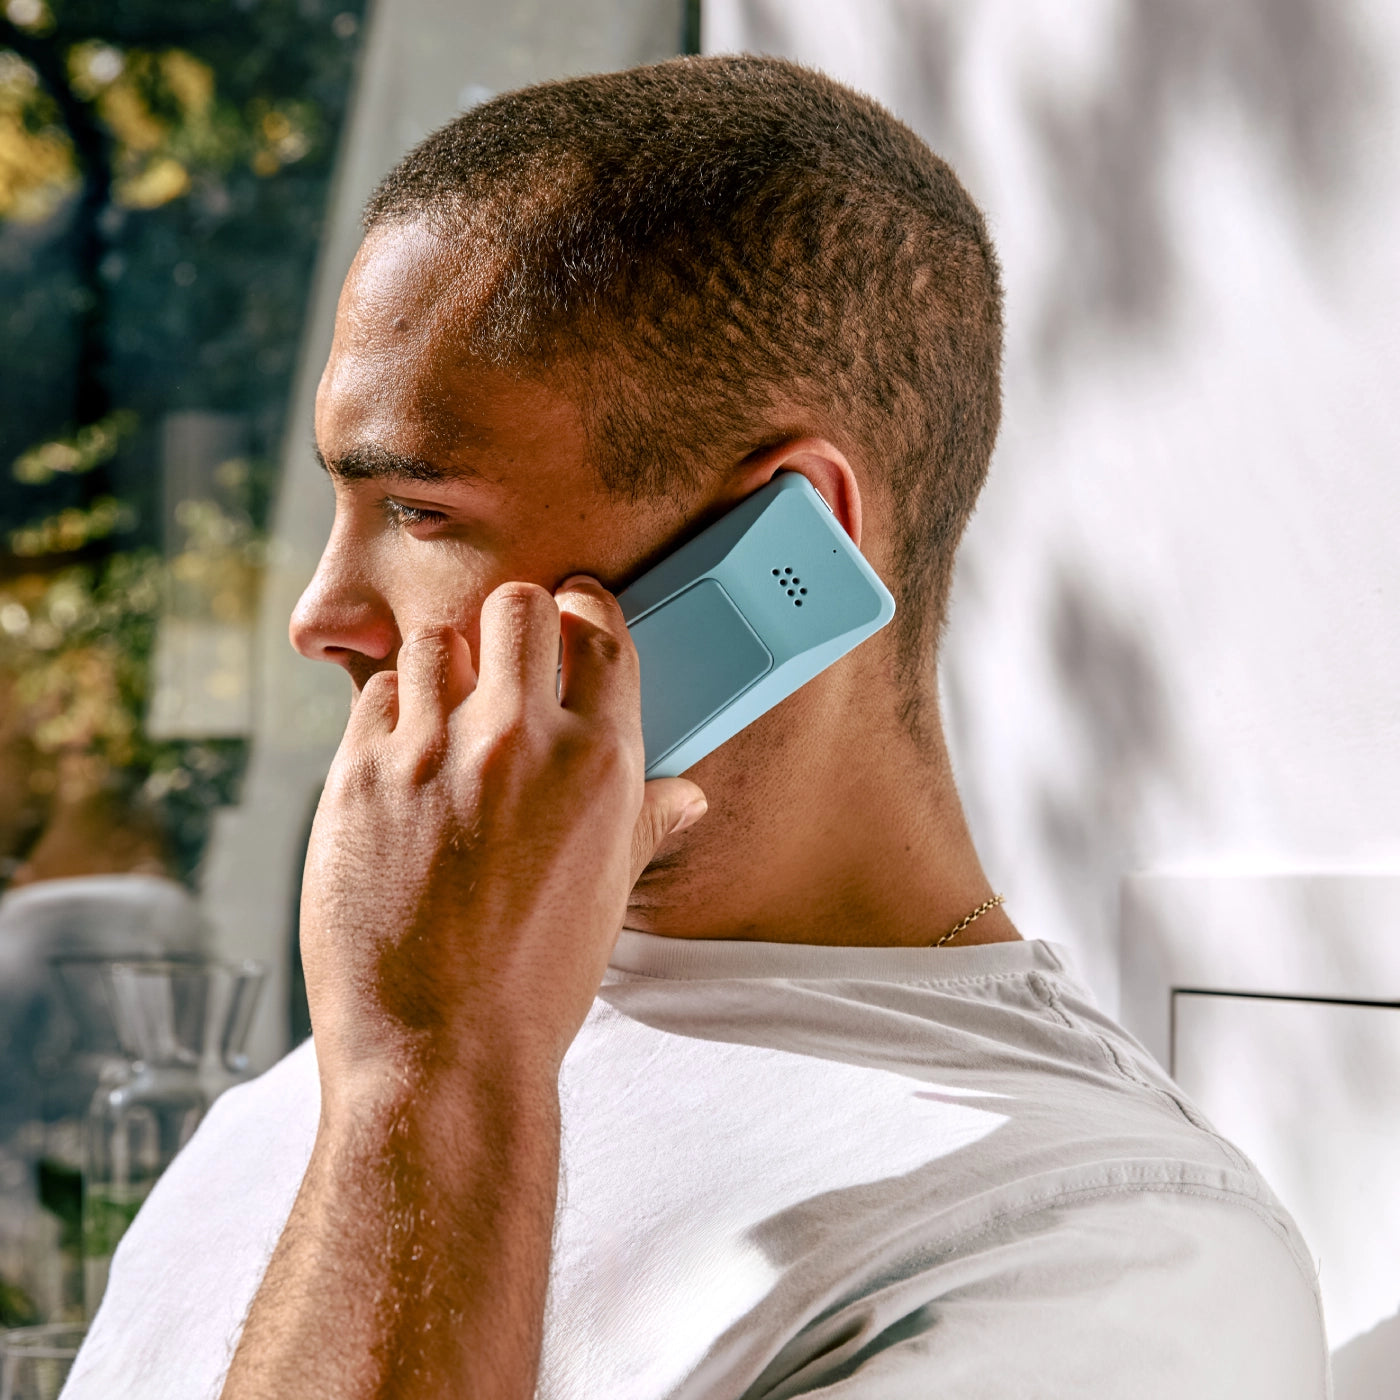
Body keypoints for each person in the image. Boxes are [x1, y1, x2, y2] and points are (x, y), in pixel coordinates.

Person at [65, 55, 1327, 1399]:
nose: (320, 616)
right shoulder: (320, 1092)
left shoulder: (1106, 1253)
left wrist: (437, 1074)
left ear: (790, 548)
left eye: (420, 511)